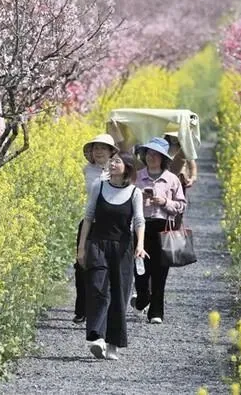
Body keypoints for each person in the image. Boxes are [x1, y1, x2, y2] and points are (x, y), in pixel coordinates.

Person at [77, 152, 147, 360]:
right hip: (98, 243)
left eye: (118, 161)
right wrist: (81, 248)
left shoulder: (135, 192)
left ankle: (113, 344)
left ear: (128, 168)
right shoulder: (99, 186)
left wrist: (140, 245)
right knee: (98, 288)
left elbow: (139, 220)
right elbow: (88, 217)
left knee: (119, 294)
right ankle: (97, 336)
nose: (113, 164)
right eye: (112, 160)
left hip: (123, 248)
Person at [132, 137, 186, 324]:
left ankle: (156, 312)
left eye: (156, 154)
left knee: (160, 272)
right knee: (140, 269)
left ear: (163, 158)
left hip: (163, 227)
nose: (151, 157)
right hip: (141, 226)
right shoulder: (136, 177)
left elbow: (181, 205)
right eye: (148, 153)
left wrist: (164, 202)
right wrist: (139, 200)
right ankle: (142, 297)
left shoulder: (172, 179)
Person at [73, 134, 119, 324]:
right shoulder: (87, 170)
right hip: (90, 221)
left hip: (111, 224)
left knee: (108, 267)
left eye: (103, 148)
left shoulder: (118, 170)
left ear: (111, 152)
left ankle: (104, 309)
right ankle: (81, 309)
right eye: (96, 148)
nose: (99, 151)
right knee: (81, 264)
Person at [164, 131, 197, 228]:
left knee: (178, 209)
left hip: (179, 182)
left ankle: (176, 229)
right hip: (164, 183)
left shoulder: (184, 148)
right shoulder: (162, 146)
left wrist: (193, 178)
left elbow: (192, 166)